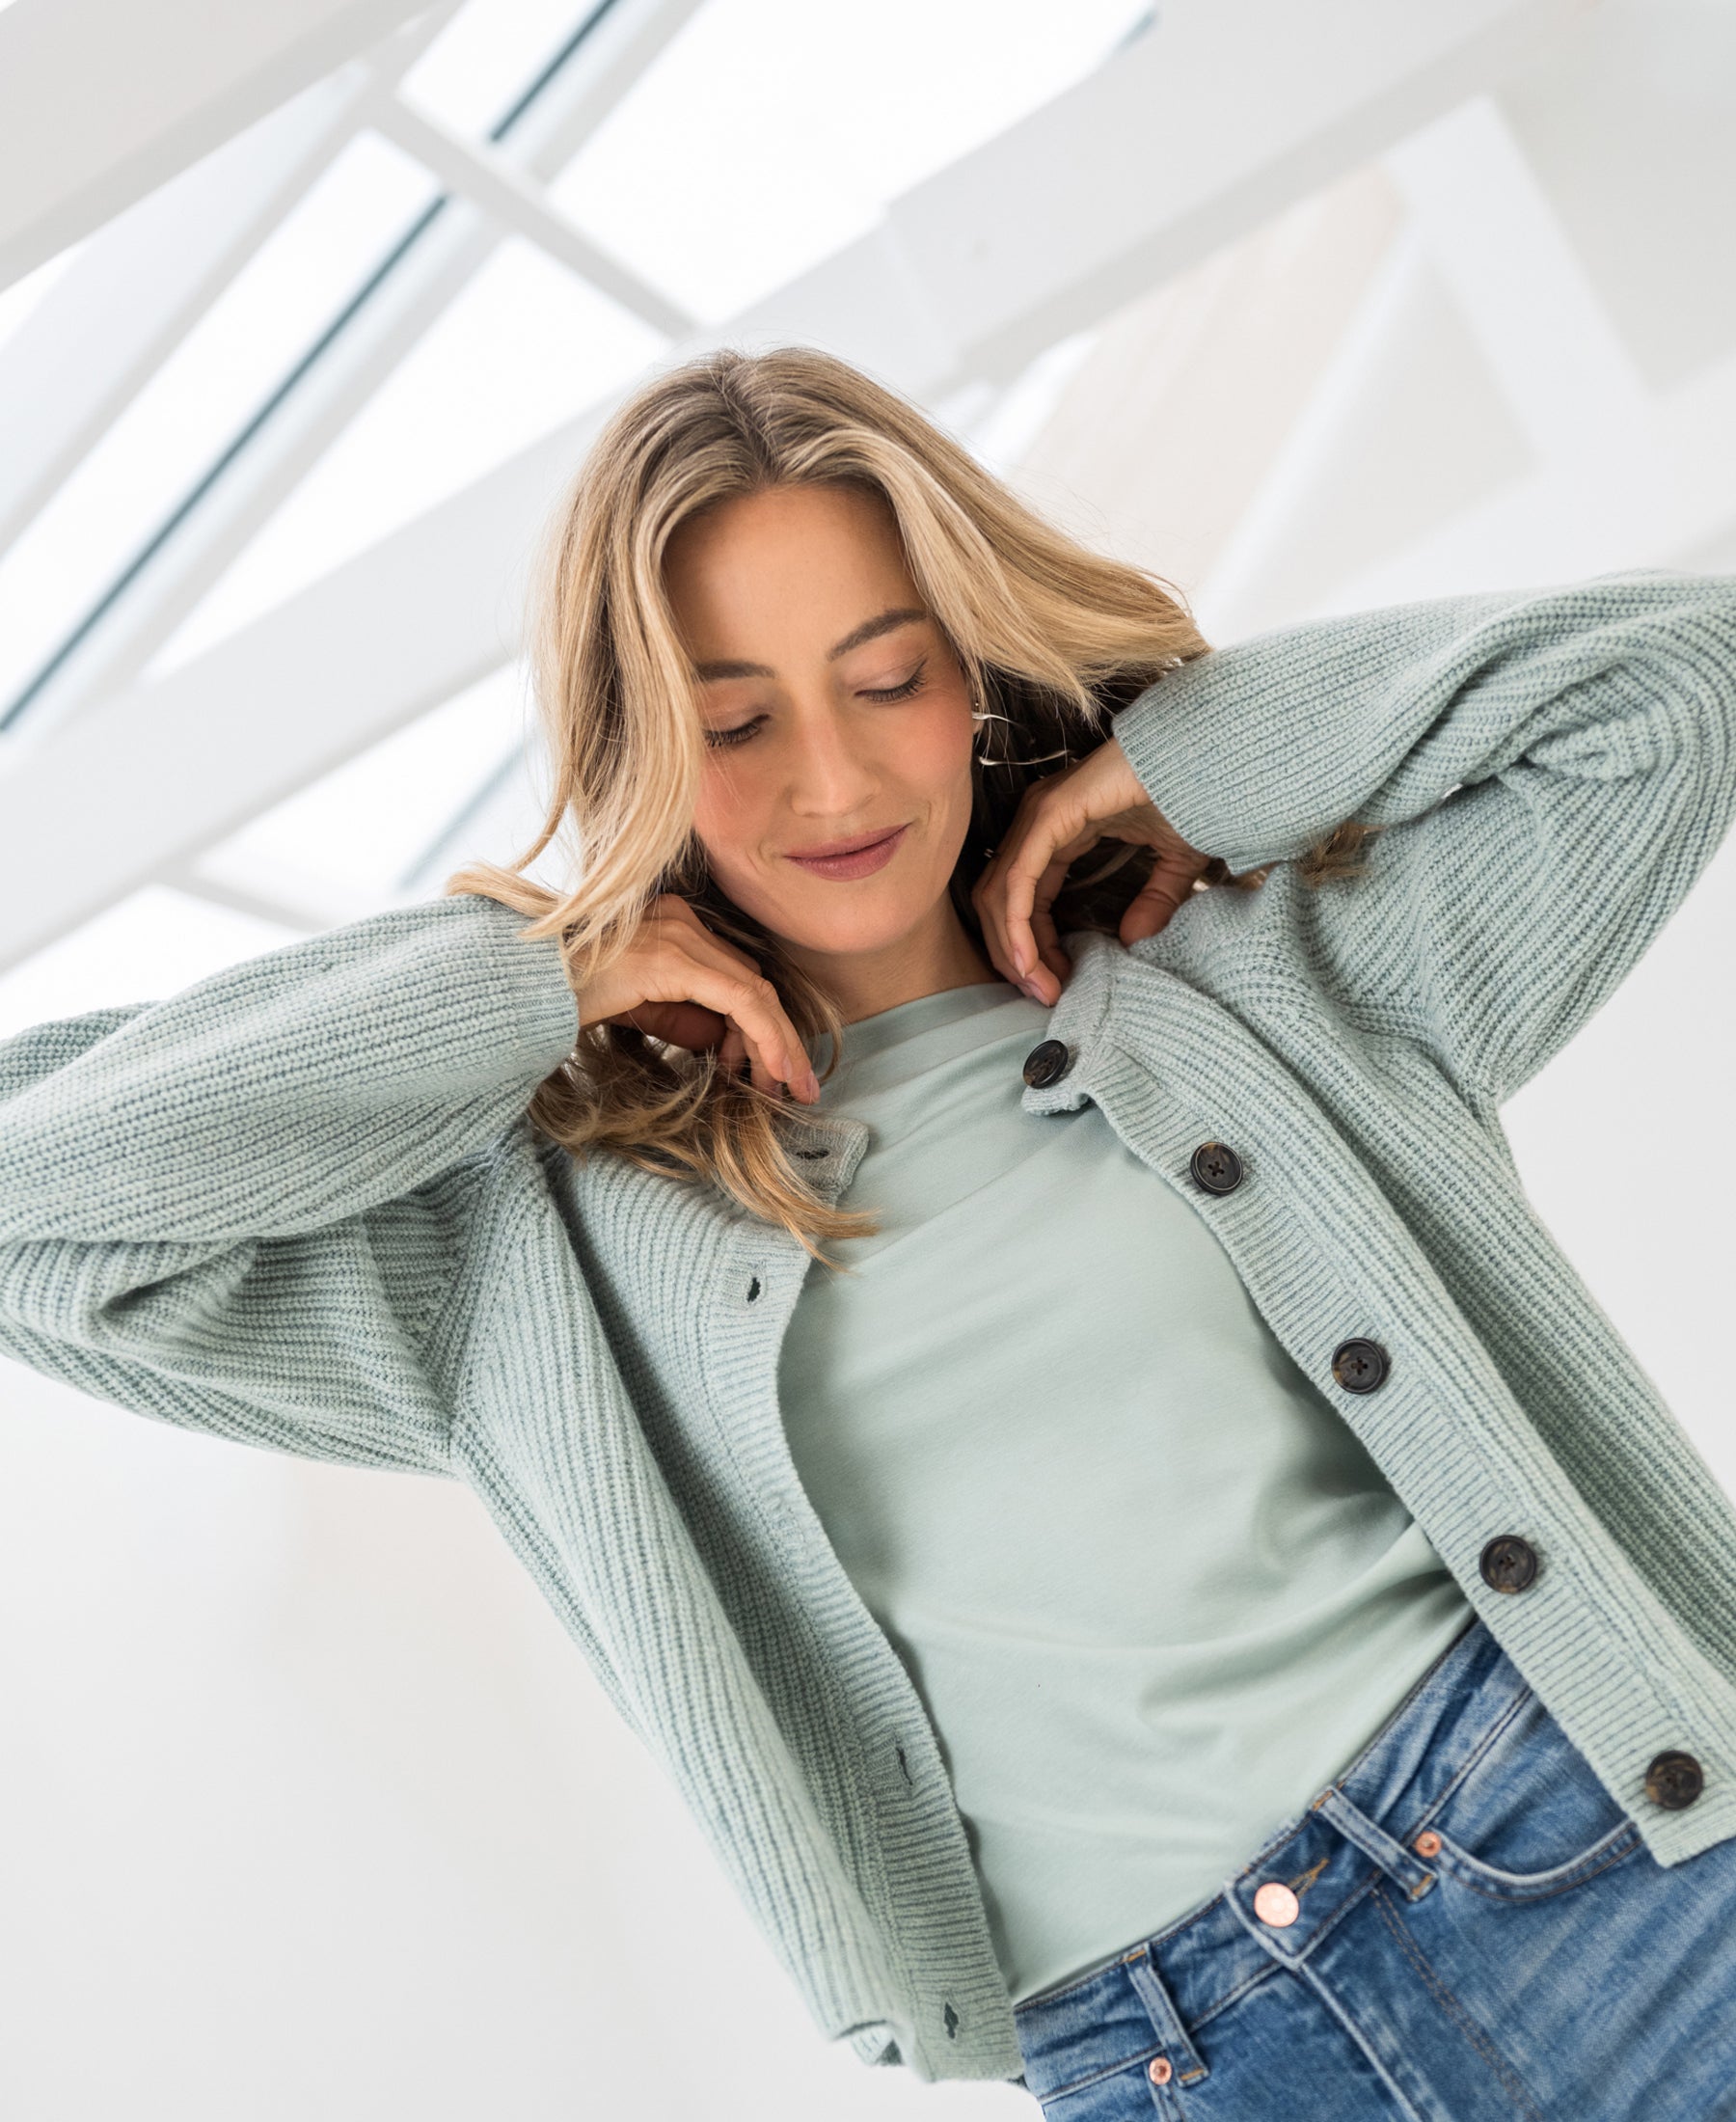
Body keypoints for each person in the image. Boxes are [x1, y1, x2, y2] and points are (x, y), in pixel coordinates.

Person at [4, 345, 1735, 2119]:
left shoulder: (1264, 990)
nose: (829, 785)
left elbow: (1679, 688)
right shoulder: (523, 1253)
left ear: (971, 669)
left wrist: (1184, 766)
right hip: (1184, 2061)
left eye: (887, 679)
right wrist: (521, 984)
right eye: (734, 721)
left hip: (1596, 1849)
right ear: (641, 746)